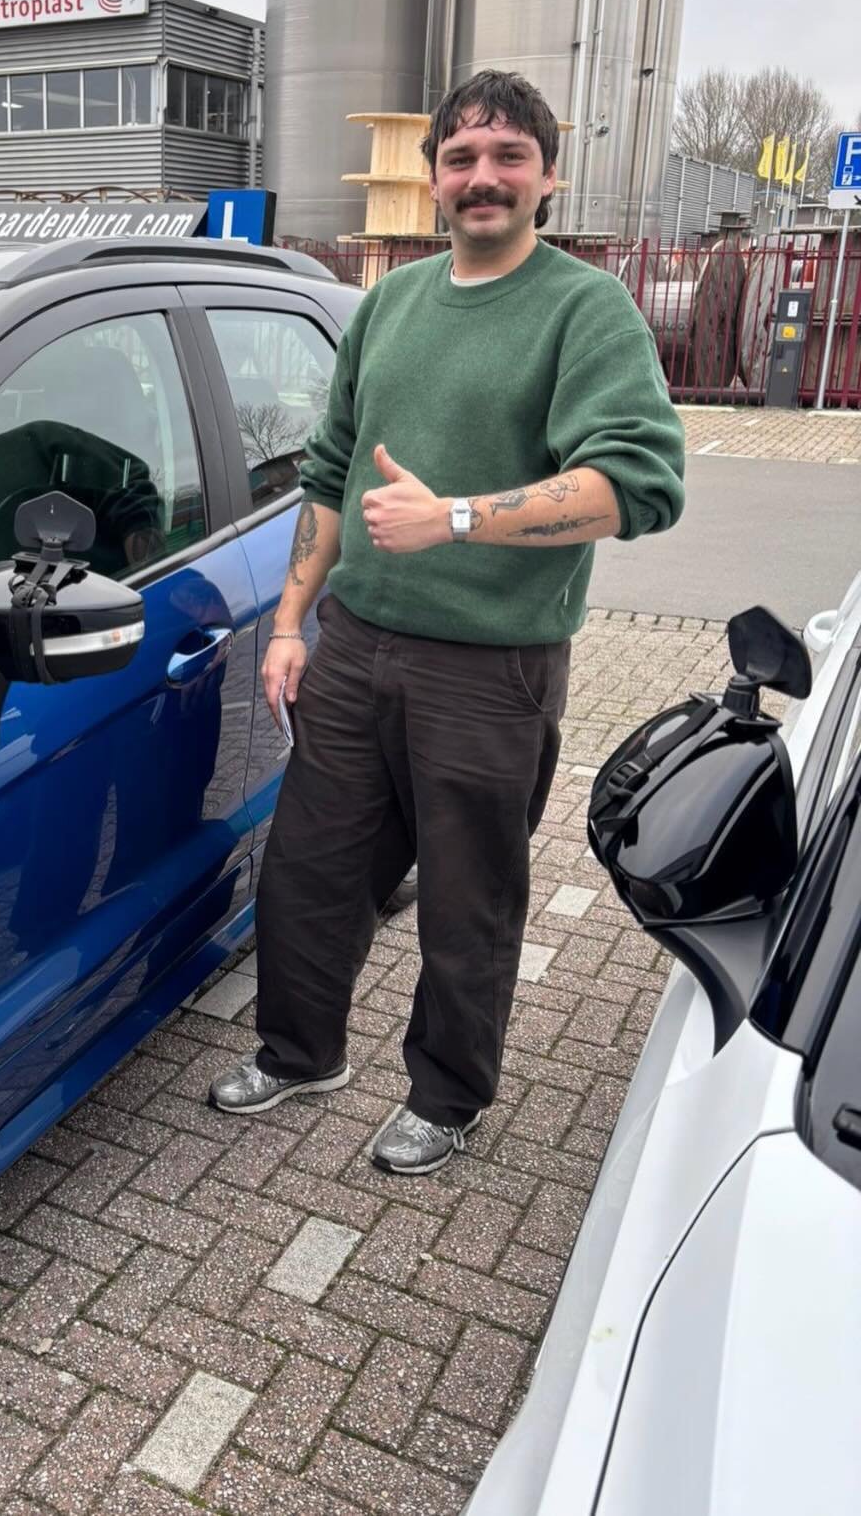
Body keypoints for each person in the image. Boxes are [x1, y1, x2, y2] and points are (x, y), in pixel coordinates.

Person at [208, 69, 686, 1175]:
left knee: (468, 903)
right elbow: (328, 473)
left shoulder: (584, 309)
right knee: (312, 868)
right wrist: (290, 621)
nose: (484, 177)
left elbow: (640, 483)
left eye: (509, 156)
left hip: (492, 667)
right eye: (462, 158)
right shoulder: (390, 303)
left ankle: (449, 1093)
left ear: (547, 175)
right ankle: (298, 1049)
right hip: (356, 644)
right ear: (433, 179)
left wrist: (458, 517)